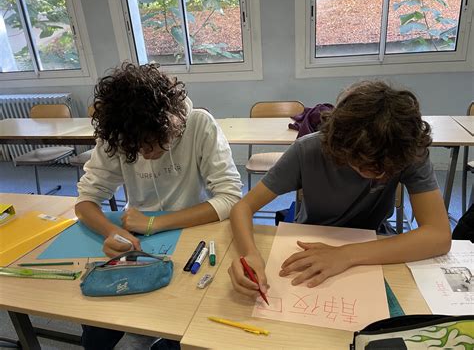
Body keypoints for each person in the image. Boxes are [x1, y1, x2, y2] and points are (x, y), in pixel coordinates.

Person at [228, 80, 451, 299]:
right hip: (310, 240)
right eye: (365, 165)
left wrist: (347, 254)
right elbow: (243, 208)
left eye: (386, 170)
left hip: (373, 243)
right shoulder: (309, 150)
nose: (378, 175)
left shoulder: (408, 149)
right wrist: (250, 254)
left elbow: (439, 235)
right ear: (339, 145)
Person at [75, 62, 242, 350]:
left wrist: (154, 223)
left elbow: (230, 198)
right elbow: (85, 201)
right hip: (137, 237)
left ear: (172, 122)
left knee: (187, 317)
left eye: (151, 143)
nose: (145, 153)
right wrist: (109, 232)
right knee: (97, 325)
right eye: (136, 146)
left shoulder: (199, 124)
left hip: (194, 230)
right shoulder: (119, 133)